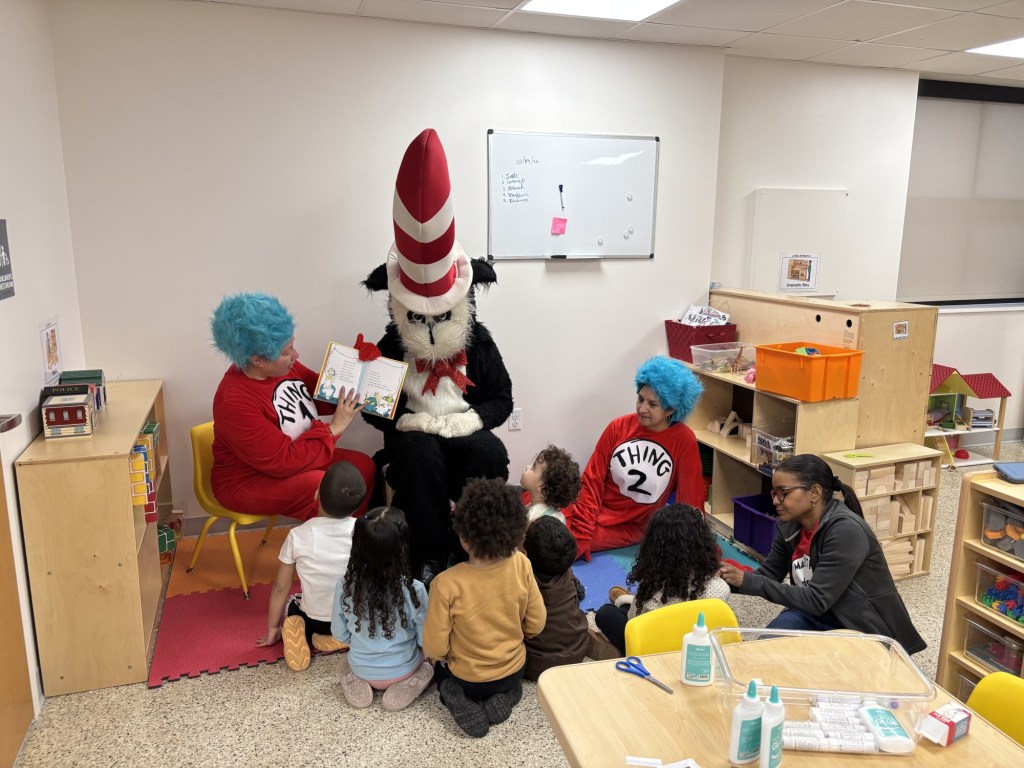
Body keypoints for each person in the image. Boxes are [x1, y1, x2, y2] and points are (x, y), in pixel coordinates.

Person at [718, 454, 926, 654]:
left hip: (857, 625)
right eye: (774, 493)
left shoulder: (846, 530)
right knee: (765, 649)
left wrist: (745, 579)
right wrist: (720, 577)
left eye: (784, 492)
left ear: (815, 493)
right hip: (811, 613)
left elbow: (816, 599)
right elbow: (768, 576)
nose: (775, 501)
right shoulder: (790, 526)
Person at [209, 292, 376, 521]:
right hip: (248, 480)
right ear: (257, 360)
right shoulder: (234, 401)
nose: (295, 355)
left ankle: (344, 538)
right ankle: (326, 546)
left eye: (292, 346)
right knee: (328, 487)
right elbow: (283, 462)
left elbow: (321, 395)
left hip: (296, 457)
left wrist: (357, 367)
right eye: (286, 352)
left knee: (362, 467)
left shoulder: (283, 367)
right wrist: (333, 430)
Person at [423, 478, 546, 738]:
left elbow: (435, 648)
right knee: (515, 679)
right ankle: (510, 695)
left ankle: (454, 697)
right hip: (511, 670)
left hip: (466, 677)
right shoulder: (522, 564)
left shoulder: (445, 584)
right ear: (514, 533)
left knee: (441, 674)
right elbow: (536, 624)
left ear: (464, 537)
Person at [564, 355, 705, 561]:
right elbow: (592, 481)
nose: (642, 408)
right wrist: (583, 528)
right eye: (640, 399)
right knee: (542, 516)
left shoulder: (684, 440)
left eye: (652, 404)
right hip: (592, 511)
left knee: (559, 542)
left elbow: (690, 500)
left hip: (632, 526)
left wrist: (698, 549)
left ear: (671, 409)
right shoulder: (618, 427)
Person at [256, 460, 366, 671]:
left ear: (317, 495)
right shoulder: (364, 531)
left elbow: (281, 587)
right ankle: (345, 638)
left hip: (317, 619)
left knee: (293, 602)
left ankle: (301, 630)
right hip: (355, 619)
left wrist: (272, 627)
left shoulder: (298, 536)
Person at [331, 506, 433, 711]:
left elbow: (340, 634)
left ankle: (355, 680)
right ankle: (416, 680)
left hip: (360, 668)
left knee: (344, 662)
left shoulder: (345, 585)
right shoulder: (415, 589)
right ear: (402, 548)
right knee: (433, 659)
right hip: (405, 670)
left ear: (358, 547)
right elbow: (425, 640)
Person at [594, 503, 730, 655]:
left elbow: (633, 620)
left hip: (651, 651)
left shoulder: (653, 585)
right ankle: (626, 600)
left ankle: (622, 614)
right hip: (693, 650)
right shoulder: (720, 588)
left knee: (606, 614)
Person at [521, 516, 589, 680]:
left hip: (534, 665)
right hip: (577, 650)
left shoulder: (521, 581)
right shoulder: (567, 574)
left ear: (526, 553)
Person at [520, 445, 581, 525]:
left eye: (533, 467)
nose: (527, 467)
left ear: (541, 486)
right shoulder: (560, 517)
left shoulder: (529, 519)